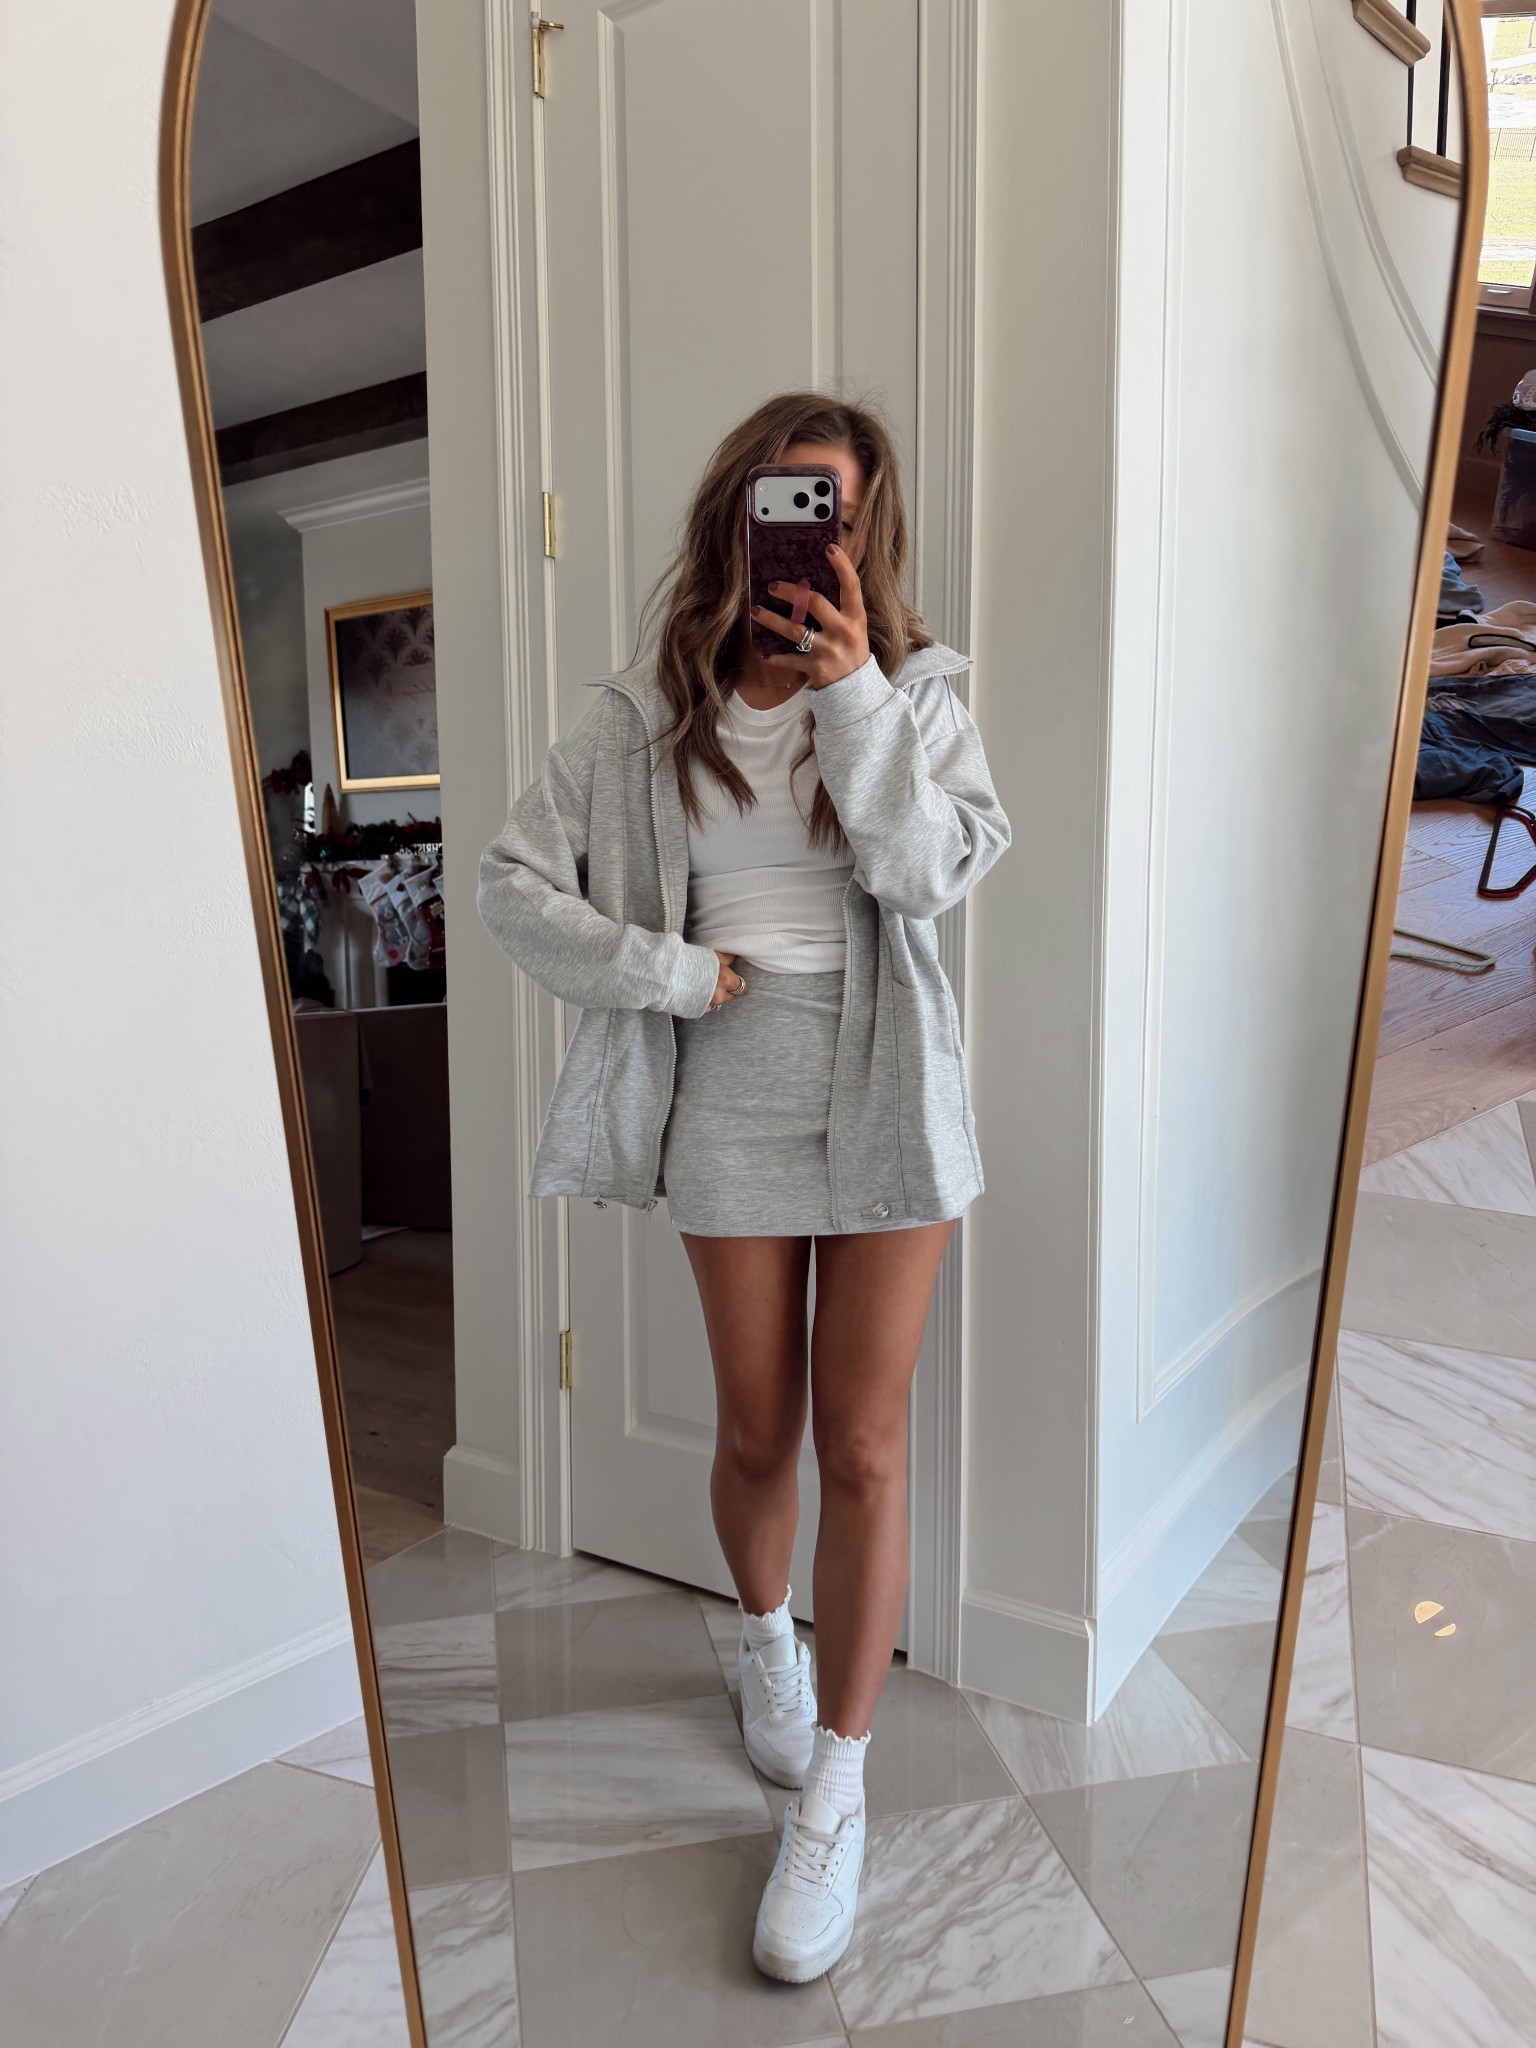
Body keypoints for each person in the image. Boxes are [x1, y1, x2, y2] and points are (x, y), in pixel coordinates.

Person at [476, 391, 1011, 1982]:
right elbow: (508, 883)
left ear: (866, 530)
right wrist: (663, 970)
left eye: (834, 507)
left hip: (889, 1093)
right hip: (729, 1092)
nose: (810, 533)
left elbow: (931, 872)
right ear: (739, 512)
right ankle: (768, 1645)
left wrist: (855, 694)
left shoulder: (921, 694)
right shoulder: (643, 714)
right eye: (787, 501)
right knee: (760, 1429)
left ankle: (837, 1783)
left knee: (865, 1444)